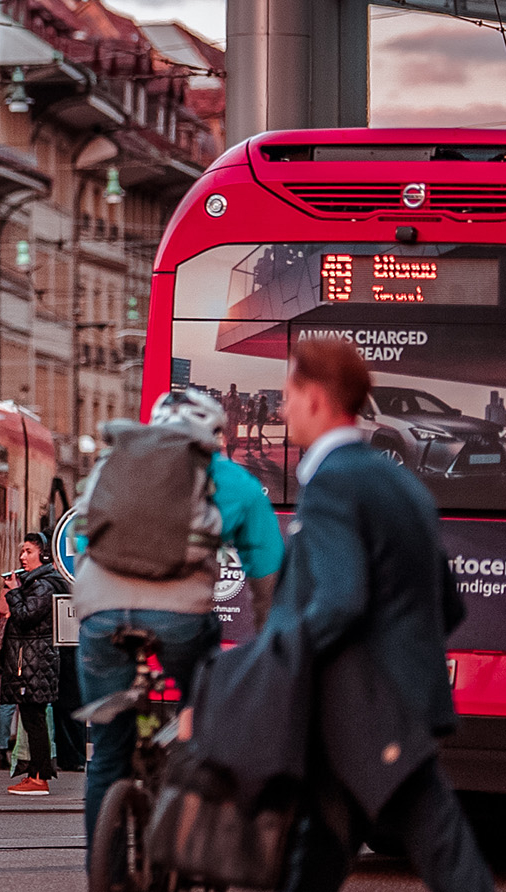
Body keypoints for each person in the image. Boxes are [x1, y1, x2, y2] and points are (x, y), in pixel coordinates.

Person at [274, 340, 486, 892]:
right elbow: (449, 600)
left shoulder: (333, 483)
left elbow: (340, 600)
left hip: (366, 710)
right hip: (386, 702)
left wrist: (273, 661)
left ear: (316, 398)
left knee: (445, 854)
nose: (281, 409)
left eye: (289, 395)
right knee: (316, 853)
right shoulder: (400, 482)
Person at [75, 386, 284, 841]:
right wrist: (274, 646)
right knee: (204, 682)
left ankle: (103, 874)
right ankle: (188, 739)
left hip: (101, 615)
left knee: (107, 757)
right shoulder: (235, 482)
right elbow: (267, 576)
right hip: (180, 617)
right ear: (215, 435)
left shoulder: (114, 466)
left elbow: (80, 540)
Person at [0, 532, 71, 795]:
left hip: (35, 660)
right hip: (31, 660)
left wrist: (15, 592)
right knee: (31, 718)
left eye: (28, 551)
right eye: (22, 551)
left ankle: (39, 778)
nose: (22, 556)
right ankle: (36, 775)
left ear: (43, 554)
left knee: (34, 719)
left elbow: (27, 616)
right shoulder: (36, 583)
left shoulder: (43, 585)